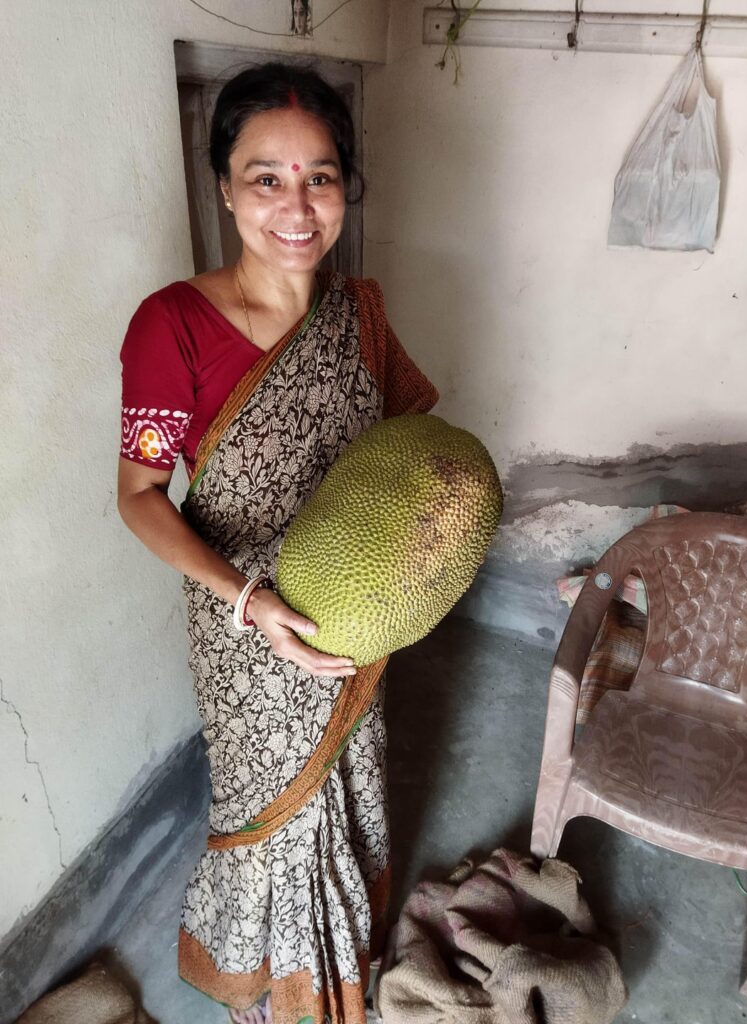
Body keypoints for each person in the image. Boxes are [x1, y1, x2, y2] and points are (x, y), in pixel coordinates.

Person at [117, 62, 438, 1024]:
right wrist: (253, 602)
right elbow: (139, 498)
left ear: (345, 187)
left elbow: (410, 431)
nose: (297, 206)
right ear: (224, 184)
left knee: (348, 772)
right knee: (267, 807)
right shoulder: (171, 325)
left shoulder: (358, 315)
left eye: (321, 176)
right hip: (241, 621)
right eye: (266, 177)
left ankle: (345, 956)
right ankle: (272, 986)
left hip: (351, 610)